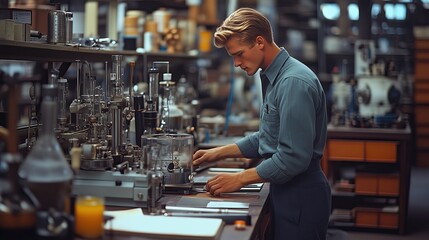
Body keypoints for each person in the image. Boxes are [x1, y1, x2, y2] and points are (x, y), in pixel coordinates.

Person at [192, 7, 331, 240]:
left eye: (239, 54)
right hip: (285, 190)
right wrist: (216, 154)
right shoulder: (271, 76)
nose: (236, 63)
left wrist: (238, 179)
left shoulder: (293, 82)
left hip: (301, 196)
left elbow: (292, 158)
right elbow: (268, 137)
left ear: (259, 42)